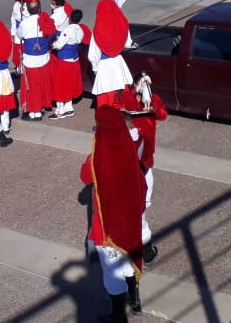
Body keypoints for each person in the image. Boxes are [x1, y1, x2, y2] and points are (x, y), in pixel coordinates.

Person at [81, 106, 148, 321]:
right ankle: (135, 301)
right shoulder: (129, 149)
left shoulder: (98, 155)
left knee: (112, 274)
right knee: (129, 262)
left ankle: (118, 316)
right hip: (129, 221)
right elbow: (141, 185)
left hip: (107, 225)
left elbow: (85, 177)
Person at [118, 80, 167, 264]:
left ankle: (137, 251)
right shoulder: (127, 98)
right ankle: (143, 252)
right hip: (133, 183)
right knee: (139, 219)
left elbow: (162, 115)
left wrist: (151, 102)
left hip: (134, 179)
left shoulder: (153, 100)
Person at [89, 0, 134, 108]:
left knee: (106, 95)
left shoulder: (98, 29)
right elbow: (128, 44)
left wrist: (95, 68)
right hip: (118, 61)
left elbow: (93, 54)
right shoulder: (122, 25)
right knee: (121, 91)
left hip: (104, 65)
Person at [17, 1, 57, 121]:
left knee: (31, 86)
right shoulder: (45, 20)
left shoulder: (25, 23)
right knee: (41, 84)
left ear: (28, 10)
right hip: (43, 57)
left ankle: (32, 111)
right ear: (39, 8)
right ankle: (39, 110)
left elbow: (19, 35)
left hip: (30, 59)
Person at [50, 9, 84, 120]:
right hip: (74, 61)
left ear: (70, 18)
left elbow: (59, 45)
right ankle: (69, 106)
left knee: (60, 84)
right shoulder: (80, 30)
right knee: (70, 83)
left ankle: (60, 110)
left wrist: (51, 44)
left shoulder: (68, 30)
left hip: (64, 61)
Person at [9, 0, 27, 69]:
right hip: (17, 31)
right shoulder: (16, 5)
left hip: (25, 30)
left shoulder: (27, 5)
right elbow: (13, 19)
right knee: (17, 50)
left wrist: (23, 12)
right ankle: (17, 66)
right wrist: (12, 33)